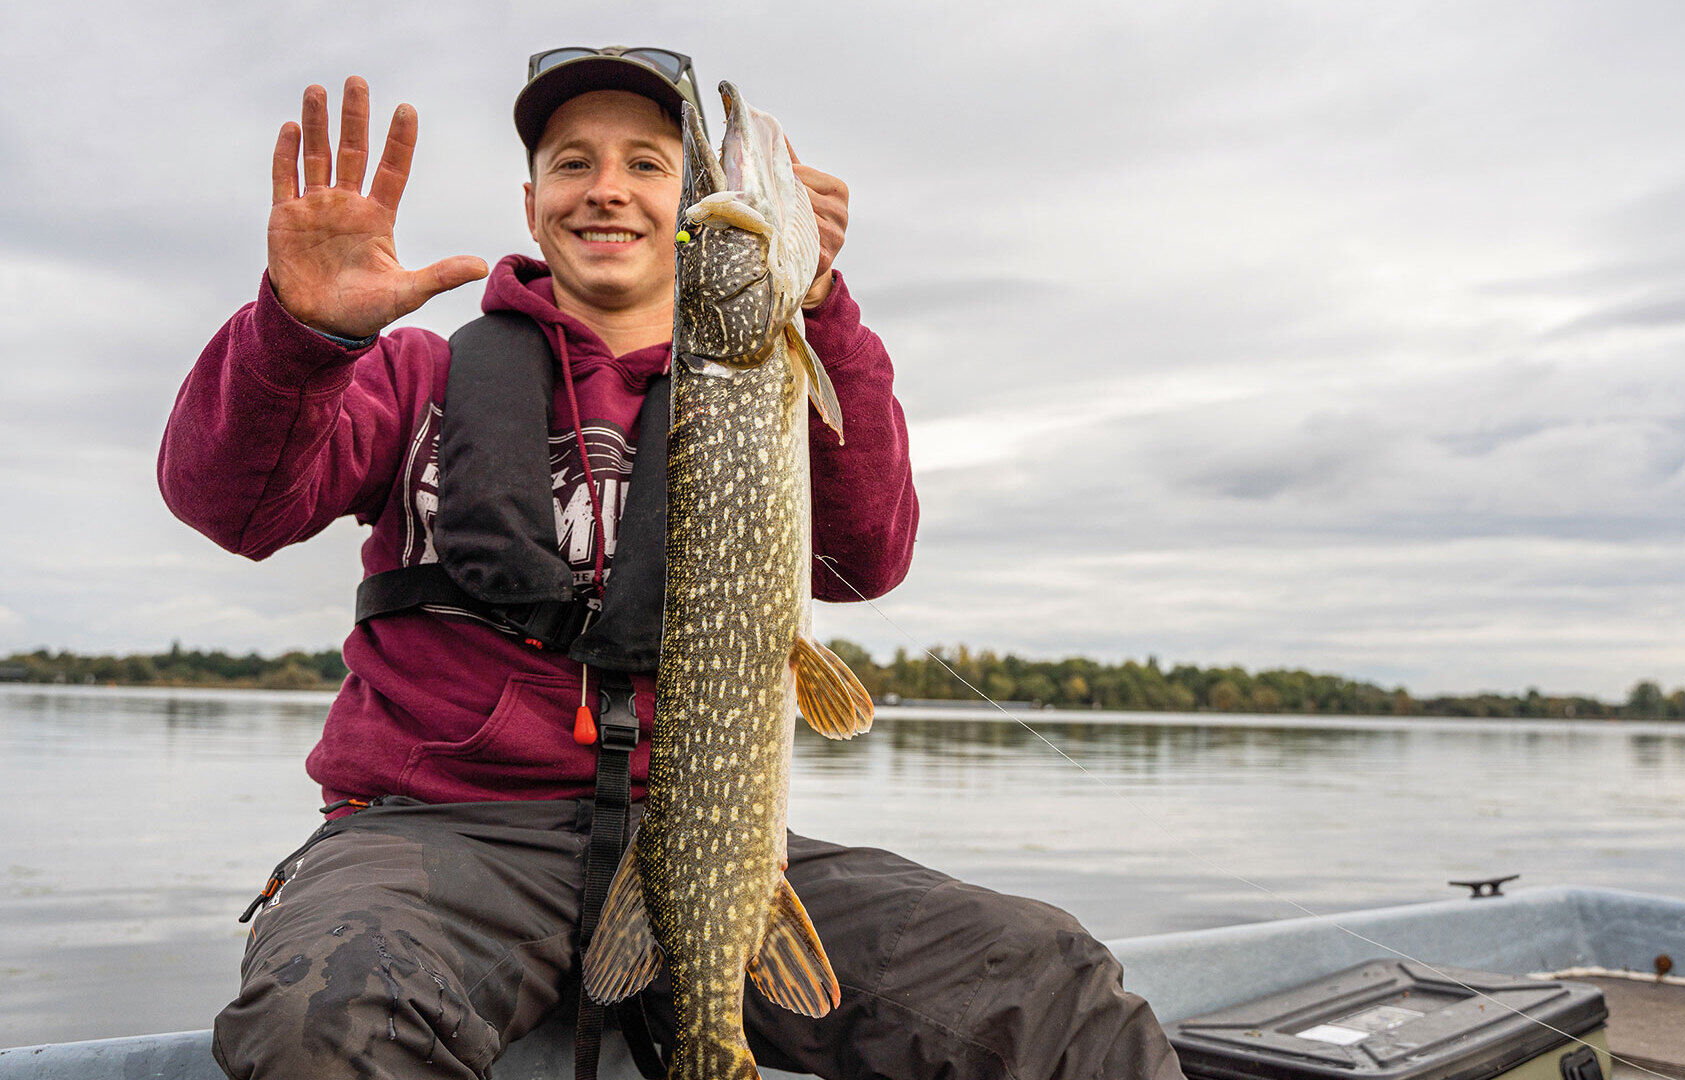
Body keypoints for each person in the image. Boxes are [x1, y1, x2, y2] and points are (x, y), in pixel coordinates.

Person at [160, 47, 1185, 1080]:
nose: (608, 188)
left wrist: (819, 300)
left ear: (689, 206)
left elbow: (867, 554)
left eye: (649, 164)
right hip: (440, 838)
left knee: (1050, 983)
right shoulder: (415, 376)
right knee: (323, 1020)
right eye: (573, 163)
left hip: (709, 848)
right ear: (531, 202)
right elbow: (228, 504)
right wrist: (296, 339)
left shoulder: (772, 373)